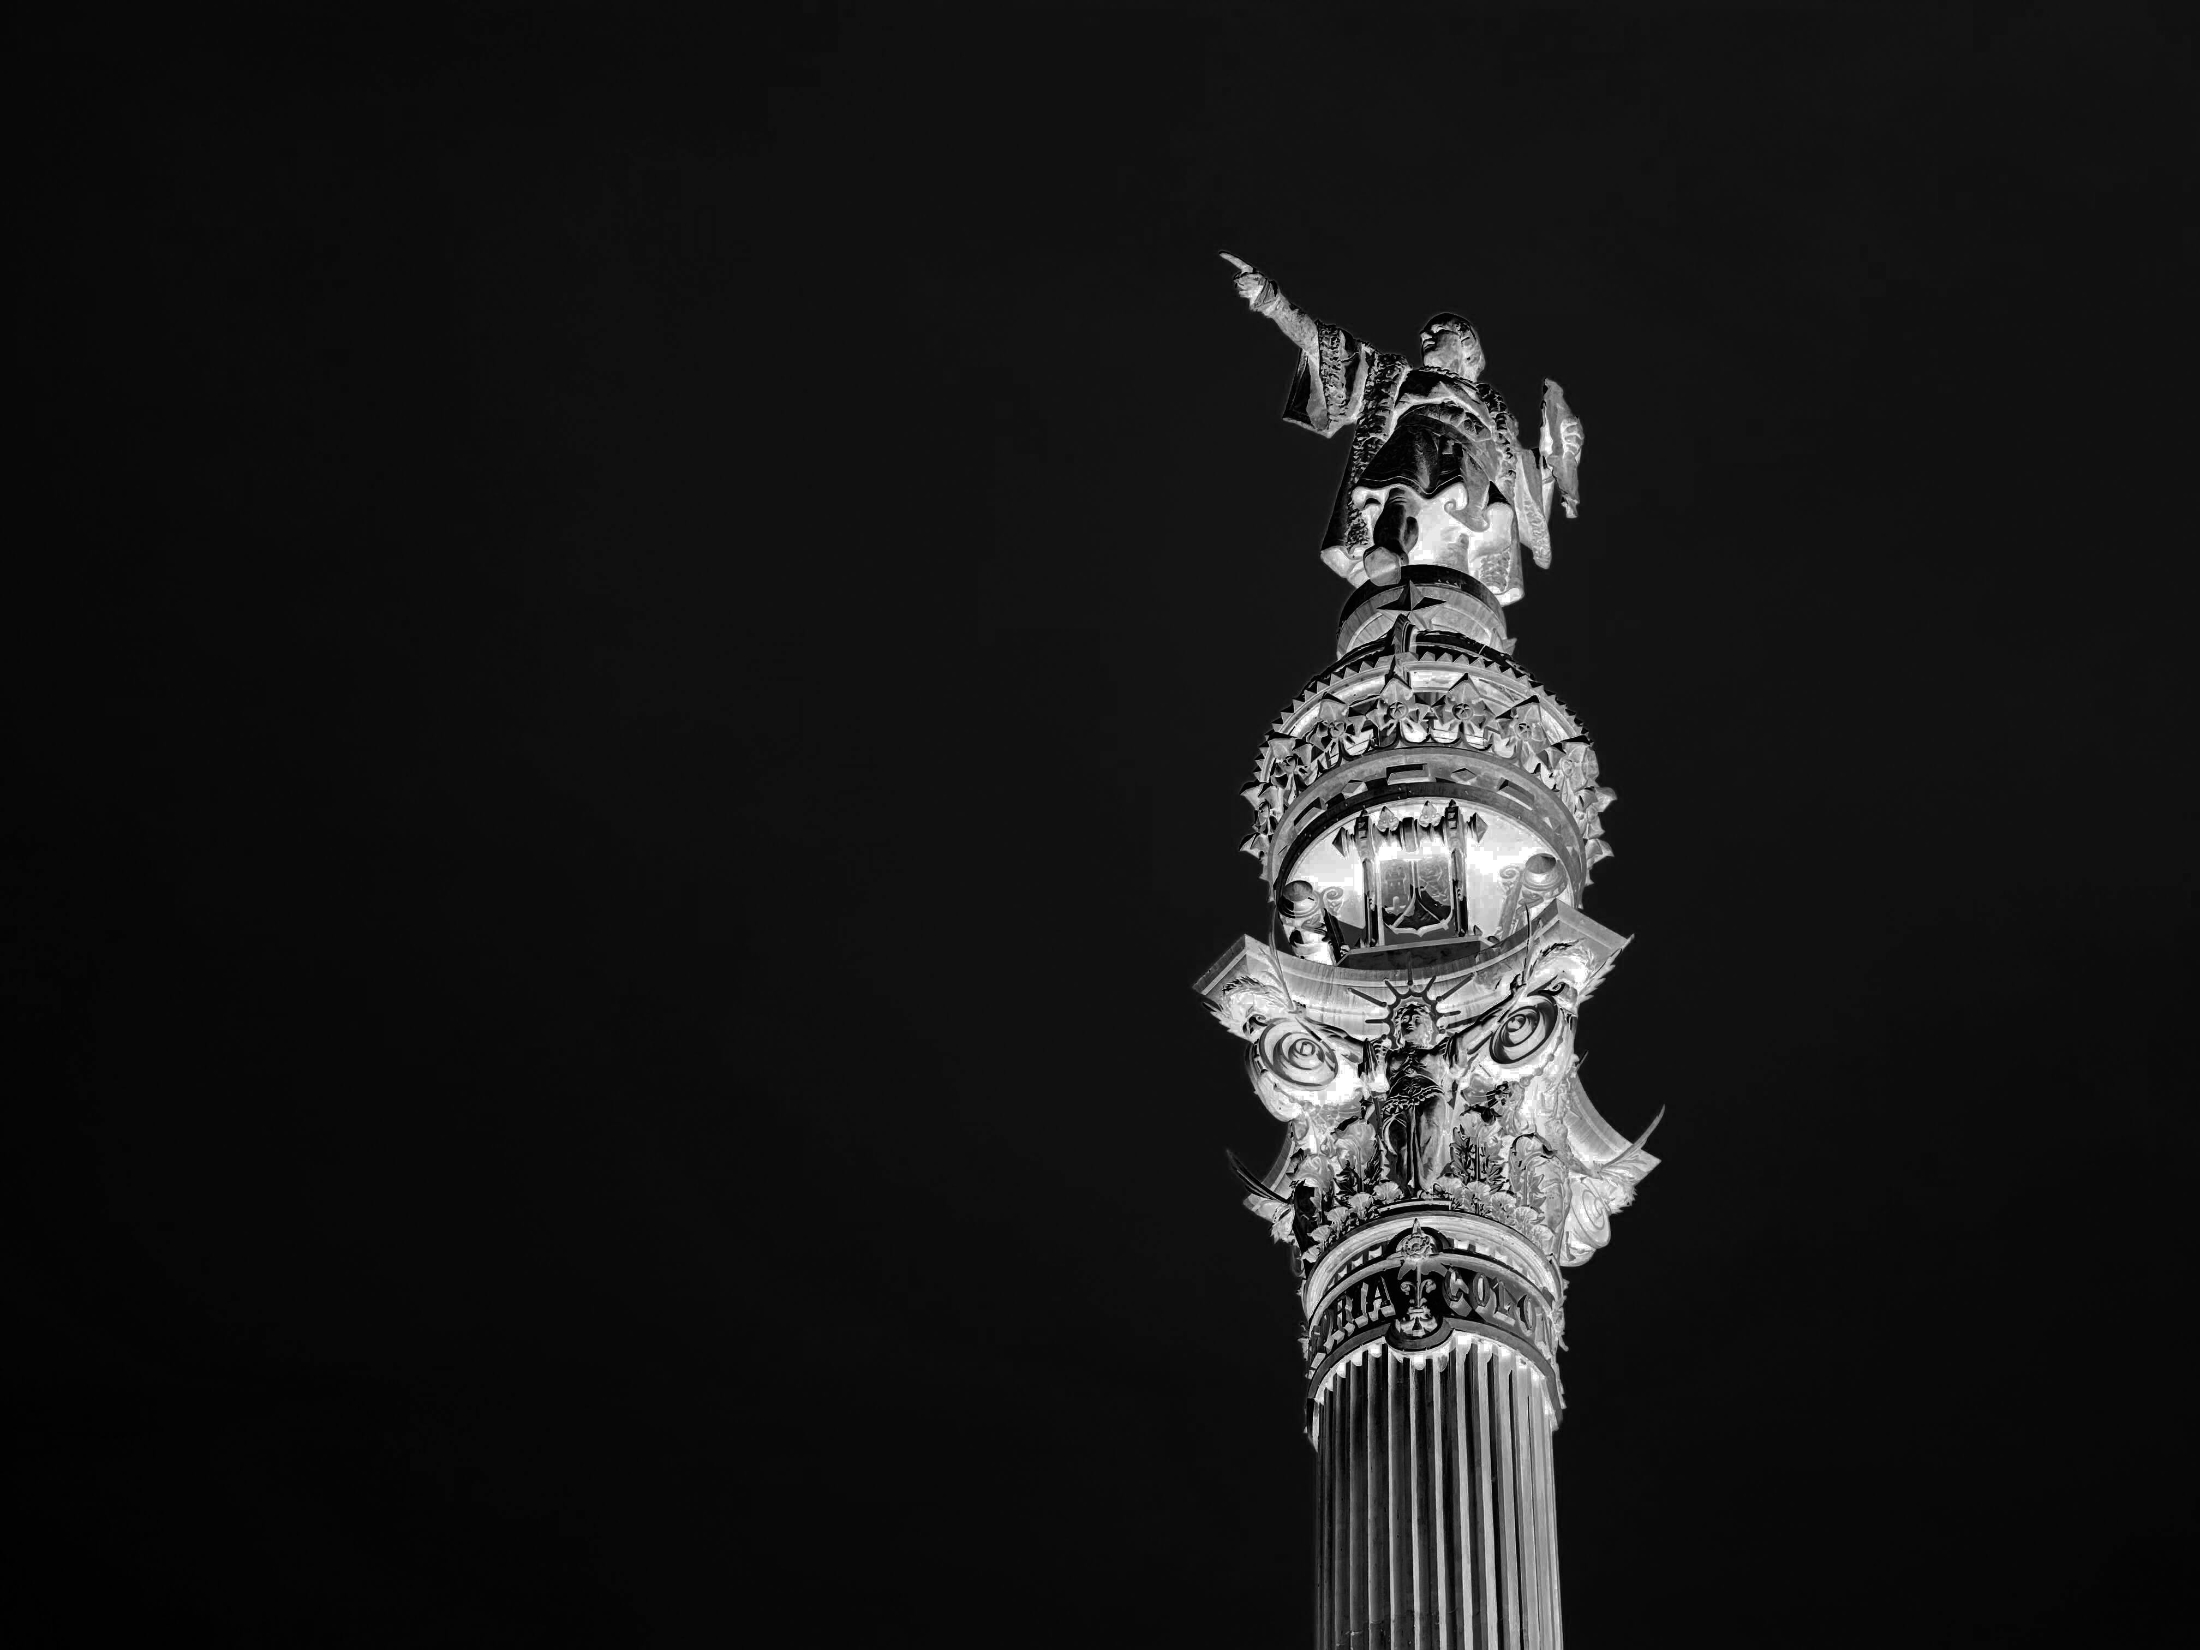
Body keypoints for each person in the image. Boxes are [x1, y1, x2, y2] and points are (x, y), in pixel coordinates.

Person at [1224, 254, 1583, 603]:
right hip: (1416, 434)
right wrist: (1273, 302)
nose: (1426, 335)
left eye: (1438, 331)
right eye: (1425, 332)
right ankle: (1389, 547)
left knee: (1458, 527)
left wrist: (1556, 456)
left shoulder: (1492, 409)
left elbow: (1516, 473)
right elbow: (1329, 347)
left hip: (1472, 459)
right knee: (1398, 487)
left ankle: (1448, 589)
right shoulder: (1396, 375)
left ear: (1466, 346)